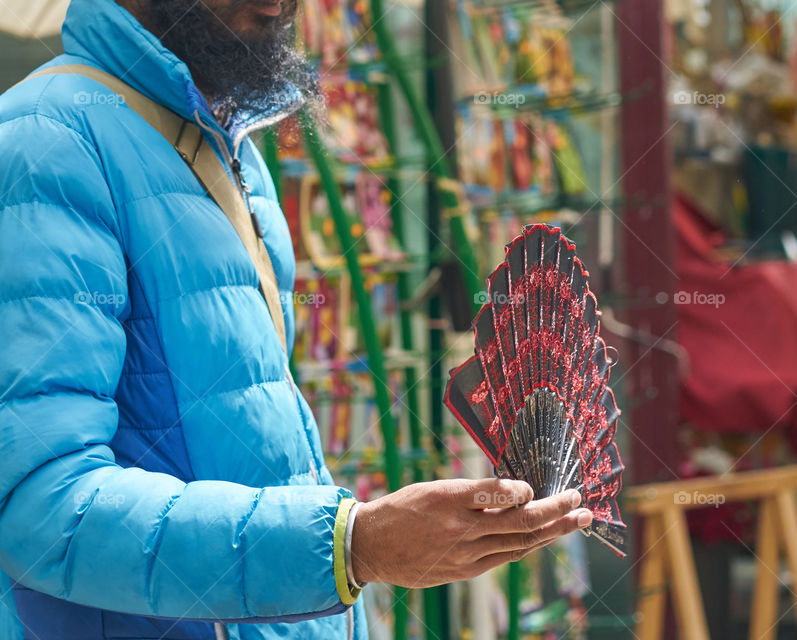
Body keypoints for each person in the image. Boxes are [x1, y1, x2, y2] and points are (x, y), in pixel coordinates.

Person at [0, 1, 594, 638]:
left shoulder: (227, 150)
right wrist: (351, 545)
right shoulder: (46, 141)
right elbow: (39, 507)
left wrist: (357, 549)